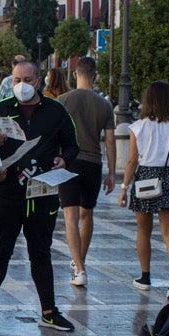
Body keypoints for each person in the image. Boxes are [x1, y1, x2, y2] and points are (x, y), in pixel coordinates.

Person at [0, 60, 79, 334]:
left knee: (41, 253)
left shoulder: (56, 111)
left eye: (27, 80)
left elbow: (73, 146)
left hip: (42, 193)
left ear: (39, 80)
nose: (22, 85)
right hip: (7, 194)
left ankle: (49, 311)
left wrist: (63, 160)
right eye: (17, 80)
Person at [122, 80, 169, 300]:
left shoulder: (139, 126)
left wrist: (124, 187)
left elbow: (132, 161)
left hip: (145, 178)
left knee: (143, 230)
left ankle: (145, 277)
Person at [56, 57, 116, 287]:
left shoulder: (62, 101)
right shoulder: (104, 105)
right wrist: (111, 172)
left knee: (69, 216)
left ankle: (78, 267)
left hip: (69, 162)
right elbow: (110, 141)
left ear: (75, 74)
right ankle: (82, 261)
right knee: (87, 214)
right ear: (95, 75)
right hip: (93, 163)